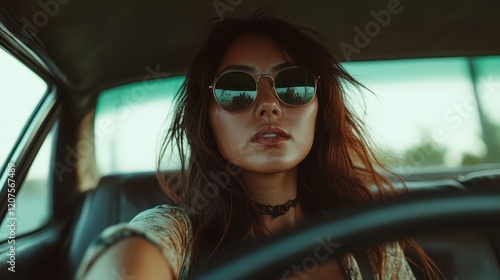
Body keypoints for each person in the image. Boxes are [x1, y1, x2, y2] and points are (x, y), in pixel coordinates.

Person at [76, 12, 443, 280]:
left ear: (320, 108)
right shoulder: (182, 234)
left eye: (293, 85)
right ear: (206, 118)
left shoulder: (370, 242)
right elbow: (131, 255)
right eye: (236, 89)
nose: (269, 104)